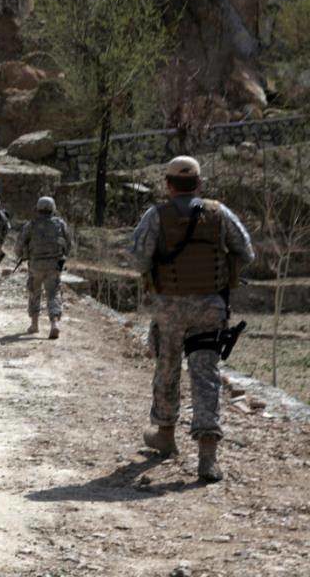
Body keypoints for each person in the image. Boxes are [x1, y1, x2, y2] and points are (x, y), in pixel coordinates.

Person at [130, 156, 254, 483]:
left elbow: (139, 257)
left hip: (170, 308)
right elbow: (247, 252)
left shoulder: (155, 216)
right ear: (199, 184)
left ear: (168, 185)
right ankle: (207, 457)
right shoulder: (219, 213)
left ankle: (166, 435)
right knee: (205, 373)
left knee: (167, 366)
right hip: (210, 307)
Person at [15, 196, 72, 339]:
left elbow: (19, 246)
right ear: (53, 208)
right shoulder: (60, 224)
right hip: (54, 265)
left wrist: (22, 255)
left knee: (34, 292)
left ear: (38, 208)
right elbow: (69, 245)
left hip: (35, 265)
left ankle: (34, 325)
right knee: (53, 294)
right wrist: (62, 256)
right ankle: (54, 325)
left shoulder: (31, 225)